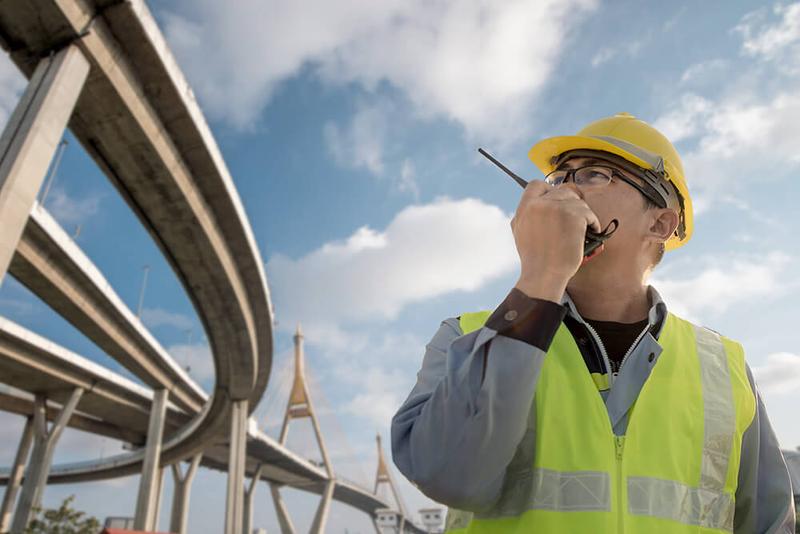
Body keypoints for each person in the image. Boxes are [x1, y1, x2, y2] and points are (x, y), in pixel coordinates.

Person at [390, 113, 795, 533]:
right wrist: (540, 279)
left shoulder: (724, 367)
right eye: (558, 178)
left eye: (594, 174)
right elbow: (447, 475)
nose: (563, 190)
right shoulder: (466, 337)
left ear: (660, 223)